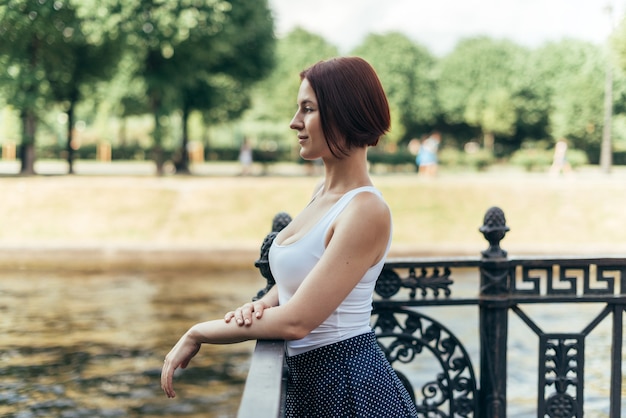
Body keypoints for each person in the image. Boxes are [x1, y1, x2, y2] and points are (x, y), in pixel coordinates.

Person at [160, 57, 418, 417]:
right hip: (314, 384)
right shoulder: (322, 192)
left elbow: (298, 321)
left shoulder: (365, 210)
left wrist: (199, 332)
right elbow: (305, 277)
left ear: (344, 114)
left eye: (308, 109)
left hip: (350, 388)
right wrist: (264, 303)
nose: (294, 122)